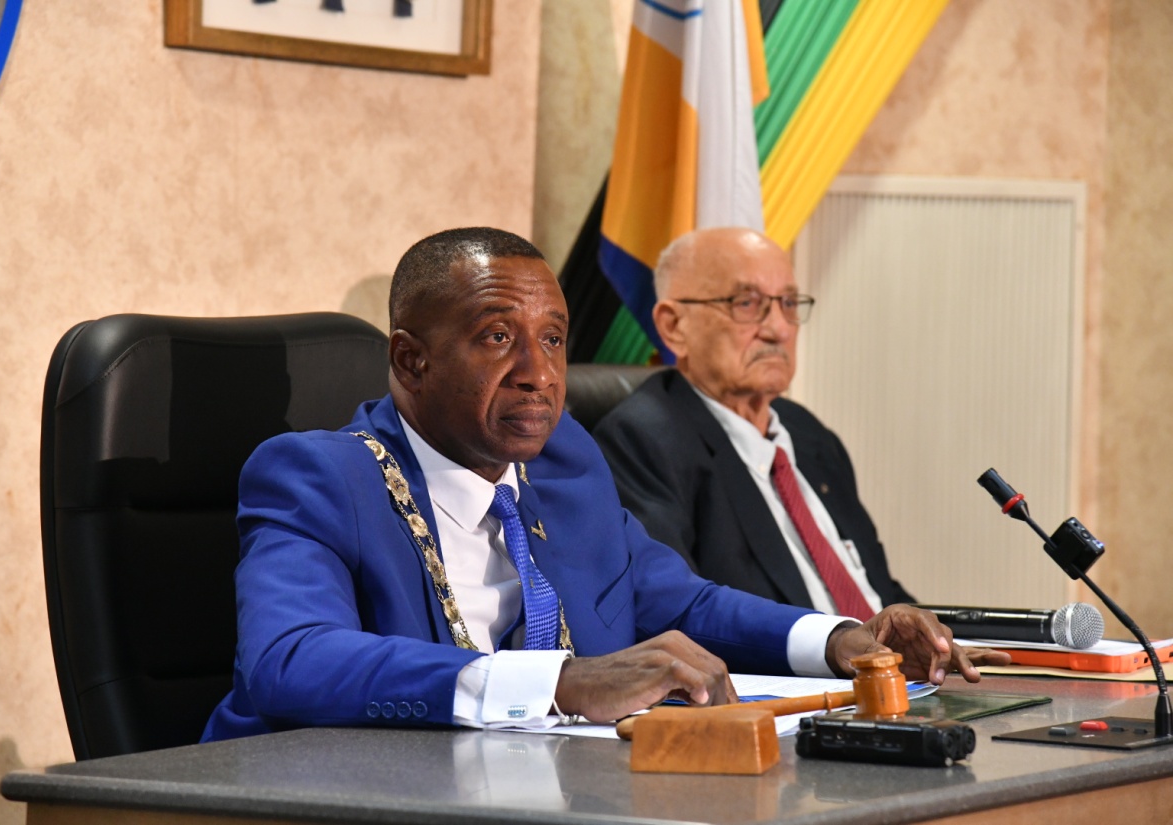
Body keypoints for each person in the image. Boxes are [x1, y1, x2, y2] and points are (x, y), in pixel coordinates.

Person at [201, 227, 1004, 742]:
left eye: (552, 339)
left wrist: (838, 638)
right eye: (497, 338)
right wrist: (558, 681)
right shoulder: (318, 474)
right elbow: (290, 660)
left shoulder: (565, 461)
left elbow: (681, 601)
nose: (539, 374)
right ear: (411, 359)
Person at [594, 226, 911, 618]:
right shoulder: (644, 441)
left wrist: (943, 642)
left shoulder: (808, 434)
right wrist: (837, 644)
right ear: (674, 327)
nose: (779, 329)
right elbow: (678, 610)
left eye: (789, 303)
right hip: (800, 674)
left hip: (895, 674)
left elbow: (879, 591)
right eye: (746, 303)